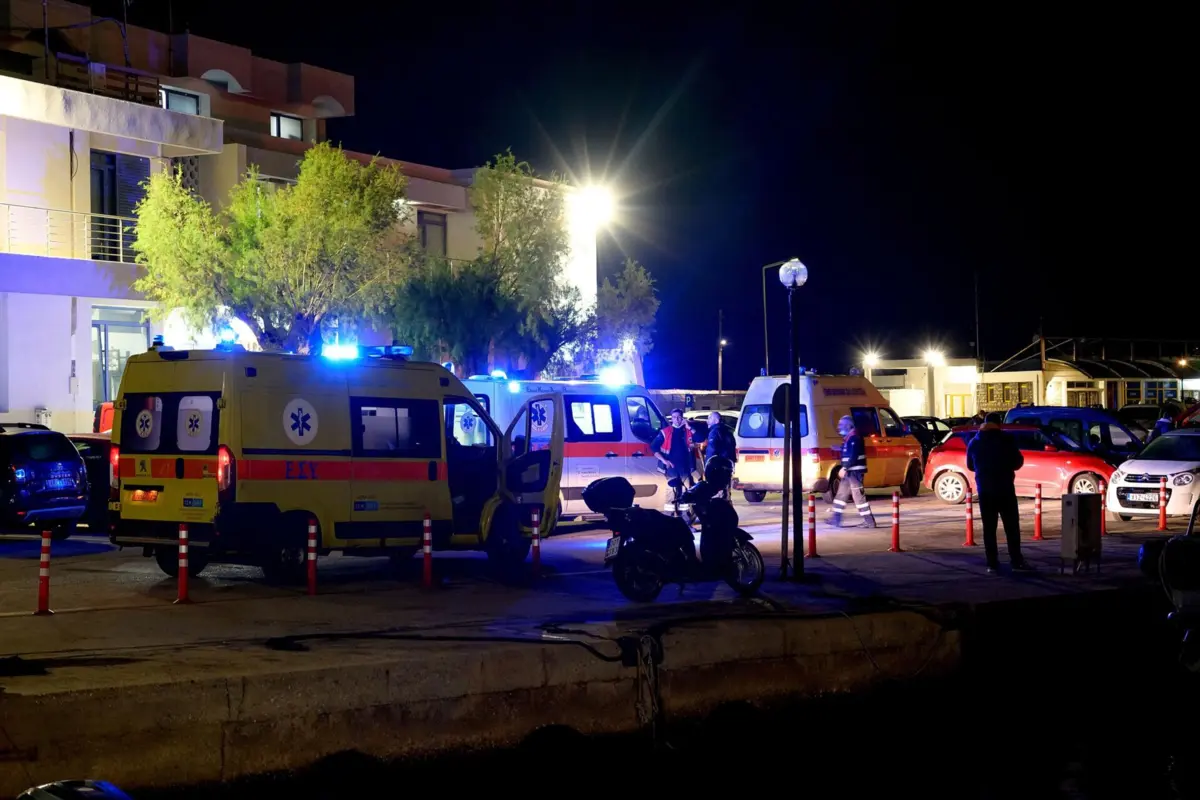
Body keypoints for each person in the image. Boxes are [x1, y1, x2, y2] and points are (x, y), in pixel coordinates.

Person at [966, 412, 1034, 574]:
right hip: (1005, 489)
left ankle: (992, 563)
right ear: (999, 424)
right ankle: (1016, 561)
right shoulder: (1006, 440)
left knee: (989, 528)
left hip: (985, 490)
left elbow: (969, 465)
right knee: (1011, 527)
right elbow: (1018, 462)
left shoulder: (974, 442)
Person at [831, 415, 876, 528]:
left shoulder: (855, 438)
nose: (839, 427)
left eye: (841, 424)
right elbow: (850, 453)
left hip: (854, 473)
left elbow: (854, 456)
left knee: (858, 497)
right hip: (849, 473)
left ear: (849, 425)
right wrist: (840, 449)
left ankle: (869, 521)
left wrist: (844, 468)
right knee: (841, 495)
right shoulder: (849, 439)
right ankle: (836, 519)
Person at [652, 408, 695, 503]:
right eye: (674, 417)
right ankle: (670, 515)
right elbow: (654, 448)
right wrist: (664, 461)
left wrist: (689, 427)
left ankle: (684, 516)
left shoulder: (688, 431)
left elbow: (700, 437)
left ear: (682, 418)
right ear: (672, 419)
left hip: (685, 467)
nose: (677, 419)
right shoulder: (665, 432)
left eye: (679, 417)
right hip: (671, 468)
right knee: (671, 493)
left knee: (685, 493)